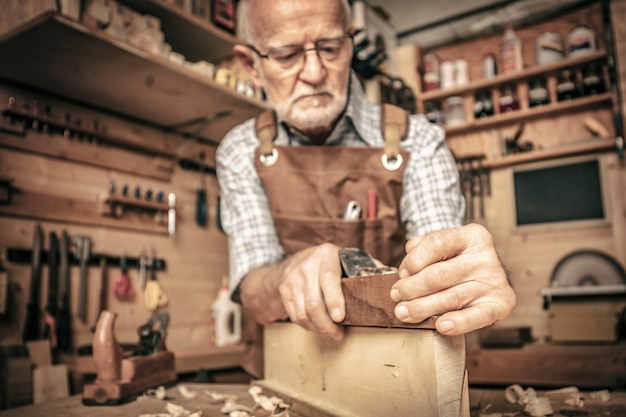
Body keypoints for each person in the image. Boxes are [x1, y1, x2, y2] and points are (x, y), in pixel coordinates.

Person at [216, 0, 516, 377]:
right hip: (284, 374)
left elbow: (442, 270)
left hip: (396, 375)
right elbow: (254, 292)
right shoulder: (240, 151)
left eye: (329, 48)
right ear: (251, 66)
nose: (313, 72)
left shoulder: (417, 141)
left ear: (350, 44)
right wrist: (286, 275)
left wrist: (470, 276)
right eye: (286, 54)